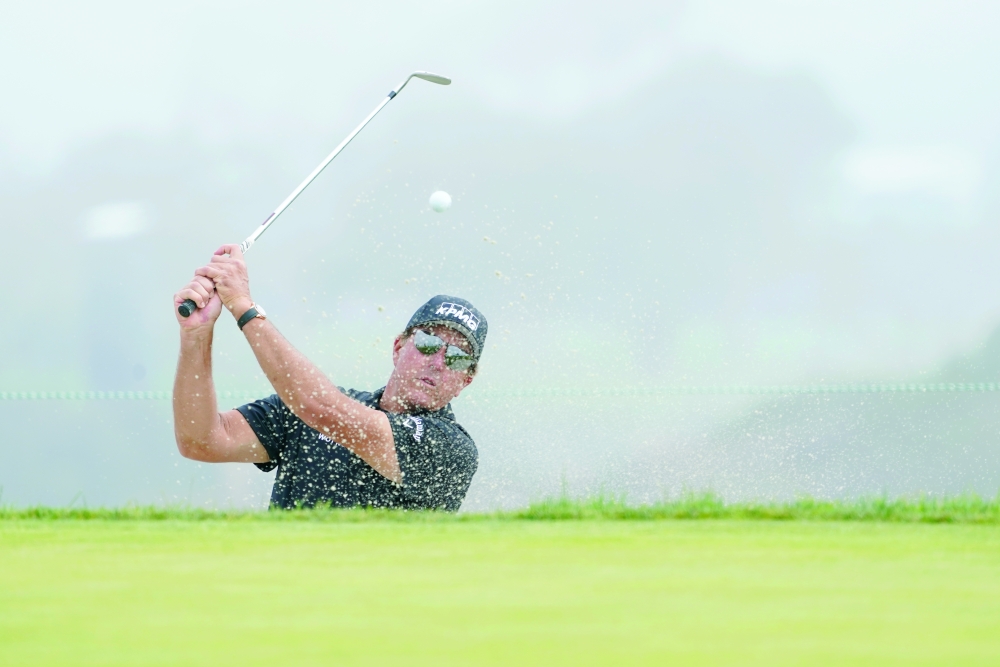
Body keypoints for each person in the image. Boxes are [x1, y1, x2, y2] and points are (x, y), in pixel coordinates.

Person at [171, 244, 487, 511]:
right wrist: (196, 334)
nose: (438, 362)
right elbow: (200, 441)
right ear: (398, 347)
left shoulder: (452, 448)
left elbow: (320, 407)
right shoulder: (312, 410)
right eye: (428, 343)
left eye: (458, 357)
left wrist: (242, 306)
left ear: (465, 381)